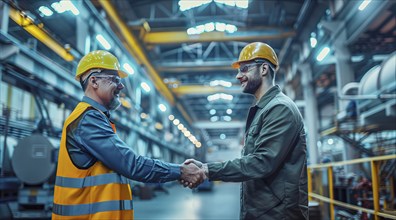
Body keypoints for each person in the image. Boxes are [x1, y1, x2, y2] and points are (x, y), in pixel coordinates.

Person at [52, 50, 205, 220]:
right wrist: (181, 171)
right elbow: (132, 165)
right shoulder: (88, 119)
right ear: (94, 81)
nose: (121, 86)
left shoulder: (94, 117)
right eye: (114, 79)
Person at [183, 42, 308, 219]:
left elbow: (262, 162)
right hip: (264, 210)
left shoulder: (280, 108)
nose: (238, 76)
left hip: (279, 214)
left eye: (244, 69)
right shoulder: (264, 110)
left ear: (264, 69)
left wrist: (206, 170)